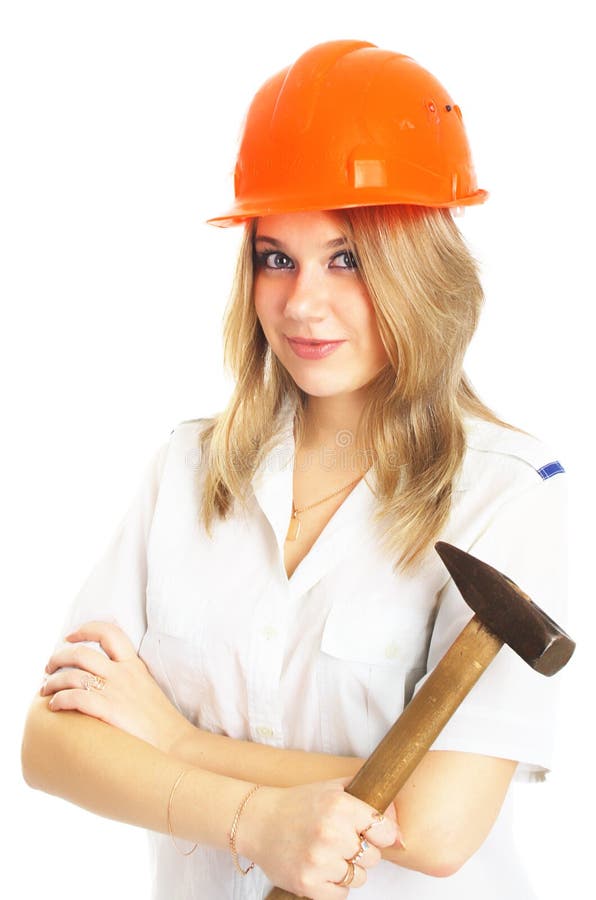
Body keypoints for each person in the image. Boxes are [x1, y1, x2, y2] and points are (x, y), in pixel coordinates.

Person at [21, 39, 568, 899]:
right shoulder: (188, 471)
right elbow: (51, 747)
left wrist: (175, 744)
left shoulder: (508, 491)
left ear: (419, 267)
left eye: (346, 257)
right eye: (275, 256)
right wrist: (251, 820)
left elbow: (435, 825)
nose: (301, 303)